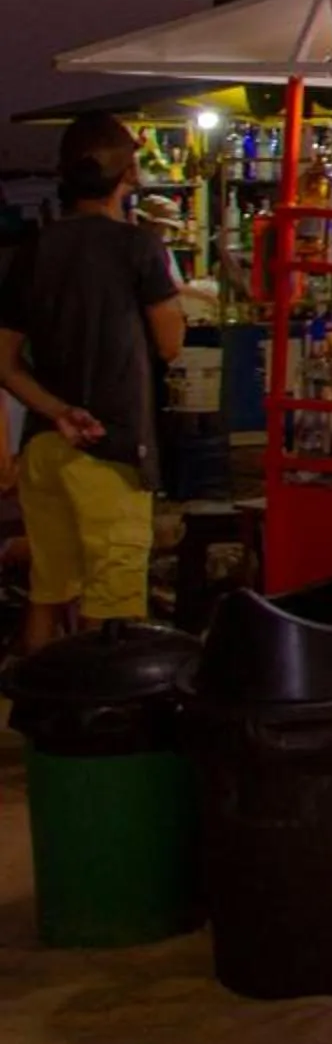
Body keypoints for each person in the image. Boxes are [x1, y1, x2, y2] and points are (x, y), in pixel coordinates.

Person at [0, 114, 186, 652]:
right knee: (112, 604)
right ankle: (100, 724)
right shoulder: (139, 247)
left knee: (48, 591)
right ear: (127, 172)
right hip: (111, 445)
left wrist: (57, 410)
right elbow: (170, 343)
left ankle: (35, 719)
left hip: (44, 444)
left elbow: (6, 362)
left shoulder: (35, 250)